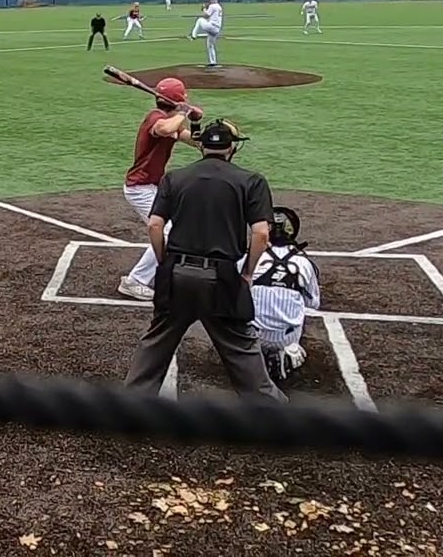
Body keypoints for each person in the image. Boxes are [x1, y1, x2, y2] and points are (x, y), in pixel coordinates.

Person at [123, 119, 286, 402]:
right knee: (240, 347)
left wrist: (164, 262)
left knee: (156, 342)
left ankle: (130, 406)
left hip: (176, 275)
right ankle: (272, 412)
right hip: (221, 279)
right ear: (232, 148)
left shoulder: (175, 178)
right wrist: (247, 273)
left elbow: (154, 226)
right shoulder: (251, 181)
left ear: (202, 147)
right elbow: (261, 234)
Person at [117, 77, 201, 301]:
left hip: (153, 186)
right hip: (140, 188)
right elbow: (164, 129)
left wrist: (195, 121)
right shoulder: (157, 119)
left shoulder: (170, 120)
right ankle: (136, 281)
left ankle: (170, 268)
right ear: (177, 100)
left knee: (179, 224)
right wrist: (183, 112)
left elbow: (193, 140)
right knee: (167, 231)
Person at [248, 206, 321, 383]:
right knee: (300, 306)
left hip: (252, 336)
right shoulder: (303, 263)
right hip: (287, 337)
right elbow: (313, 303)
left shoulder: (249, 257)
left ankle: (252, 358)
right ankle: (287, 352)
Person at [189, 0, 223, 67]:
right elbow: (210, 16)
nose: (211, 0)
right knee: (210, 45)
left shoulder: (212, 6)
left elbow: (206, 15)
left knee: (200, 20)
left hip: (211, 27)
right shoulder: (219, 7)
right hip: (216, 29)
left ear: (216, 0)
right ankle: (213, 62)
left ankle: (193, 36)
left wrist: (204, 9)